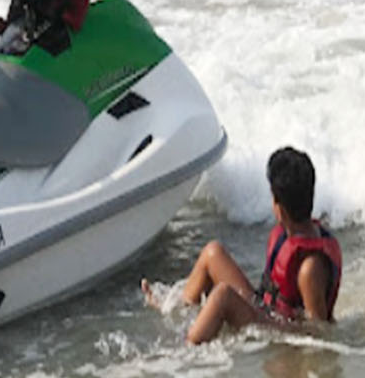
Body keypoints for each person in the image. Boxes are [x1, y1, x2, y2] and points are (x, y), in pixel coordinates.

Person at [144, 146, 342, 345]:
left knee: (223, 296)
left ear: (279, 208)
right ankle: (180, 311)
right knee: (213, 253)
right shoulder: (293, 229)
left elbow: (318, 332)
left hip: (279, 328)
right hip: (267, 308)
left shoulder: (310, 268)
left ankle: (184, 352)